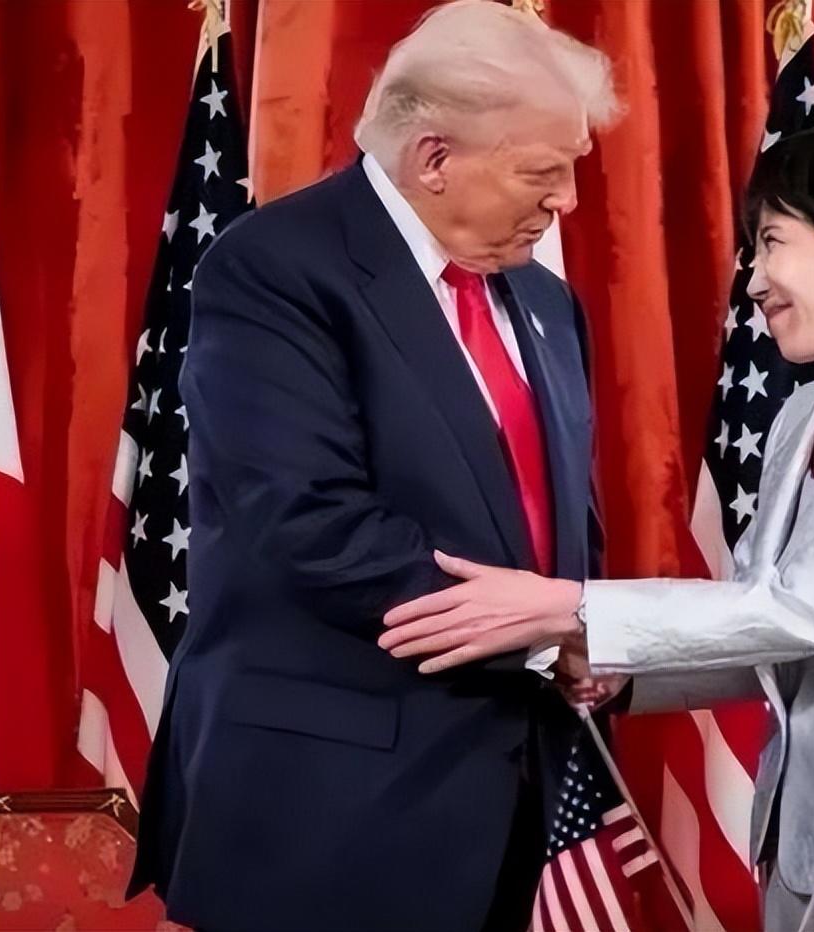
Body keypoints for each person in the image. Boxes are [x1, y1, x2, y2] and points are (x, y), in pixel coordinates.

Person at [380, 127, 814, 931]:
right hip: (808, 837)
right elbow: (764, 630)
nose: (753, 280)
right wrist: (620, 673)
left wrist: (571, 605)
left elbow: (809, 609)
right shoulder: (799, 420)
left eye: (772, 243)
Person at [128, 3, 617, 930]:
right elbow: (309, 519)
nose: (567, 202)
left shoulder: (548, 302)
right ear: (434, 158)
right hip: (329, 810)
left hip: (518, 805)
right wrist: (556, 633)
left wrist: (589, 627)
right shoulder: (275, 267)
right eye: (541, 173)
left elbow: (559, 517)